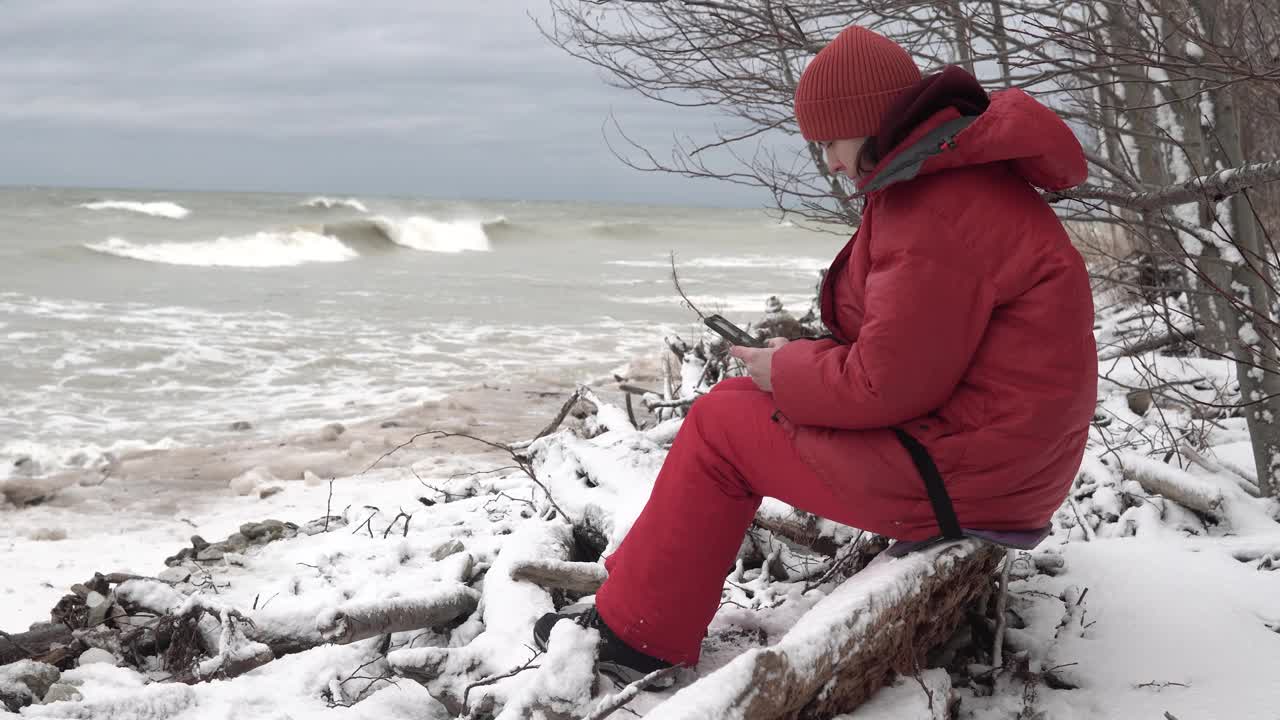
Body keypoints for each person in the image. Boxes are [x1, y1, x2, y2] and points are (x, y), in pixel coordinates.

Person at [533, 25, 1098, 684]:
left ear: (868, 122)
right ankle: (635, 607)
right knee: (739, 403)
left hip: (975, 475)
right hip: (996, 458)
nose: (828, 161)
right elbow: (914, 350)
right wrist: (796, 363)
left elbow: (884, 388)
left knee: (721, 428)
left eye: (830, 141)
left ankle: (636, 638)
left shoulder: (935, 206)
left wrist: (789, 369)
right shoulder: (954, 184)